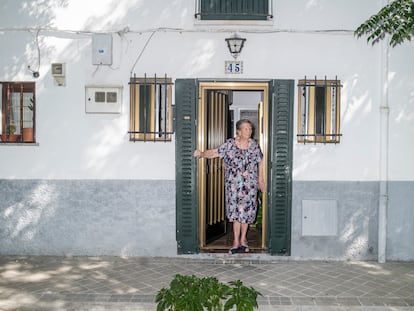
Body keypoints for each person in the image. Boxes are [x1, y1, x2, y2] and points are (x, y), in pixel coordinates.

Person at [194, 119, 265, 254]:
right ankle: (236, 241)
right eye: (246, 129)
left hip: (249, 186)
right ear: (238, 131)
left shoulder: (254, 145)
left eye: (250, 129)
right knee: (236, 213)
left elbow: (260, 162)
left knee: (247, 213)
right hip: (233, 186)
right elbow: (215, 152)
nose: (249, 131)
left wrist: (260, 180)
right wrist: (202, 154)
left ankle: (243, 240)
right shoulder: (230, 144)